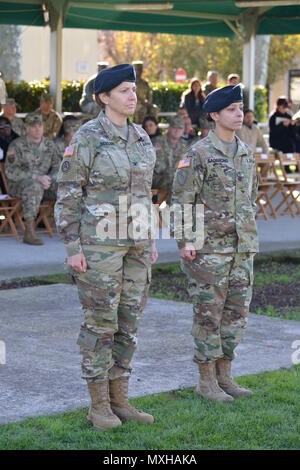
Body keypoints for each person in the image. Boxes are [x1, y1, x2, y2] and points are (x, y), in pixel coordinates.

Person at [55, 64, 158, 431]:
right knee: (101, 324)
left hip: (137, 246)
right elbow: (67, 192)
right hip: (99, 247)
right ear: (104, 97)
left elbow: (145, 194)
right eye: (125, 91)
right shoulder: (87, 138)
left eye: (134, 90)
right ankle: (98, 406)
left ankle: (120, 400)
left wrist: (149, 238)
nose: (134, 96)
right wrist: (72, 245)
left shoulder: (142, 138)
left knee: (128, 322)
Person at [172, 85, 258, 403]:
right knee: (209, 314)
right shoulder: (199, 154)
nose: (240, 114)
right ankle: (206, 382)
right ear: (214, 115)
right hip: (208, 250)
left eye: (240, 108)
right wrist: (186, 241)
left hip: (242, 247)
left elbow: (252, 195)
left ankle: (225, 377)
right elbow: (182, 200)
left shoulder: (245, 152)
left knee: (236, 313)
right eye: (233, 109)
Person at [5, 113, 60, 245]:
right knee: (34, 186)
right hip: (19, 185)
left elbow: (59, 167)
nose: (37, 128)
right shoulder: (16, 145)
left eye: (40, 125)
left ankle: (72, 226)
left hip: (44, 184)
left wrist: (50, 179)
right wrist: (37, 178)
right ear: (27, 128)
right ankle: (29, 231)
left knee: (68, 186)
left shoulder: (49, 145)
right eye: (33, 126)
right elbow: (11, 171)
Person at [152, 115, 187, 205]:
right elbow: (155, 166)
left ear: (183, 130)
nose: (177, 131)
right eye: (174, 127)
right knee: (174, 178)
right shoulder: (157, 142)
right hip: (157, 178)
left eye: (180, 128)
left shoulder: (184, 145)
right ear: (169, 128)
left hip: (175, 179)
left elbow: (185, 166)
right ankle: (172, 211)